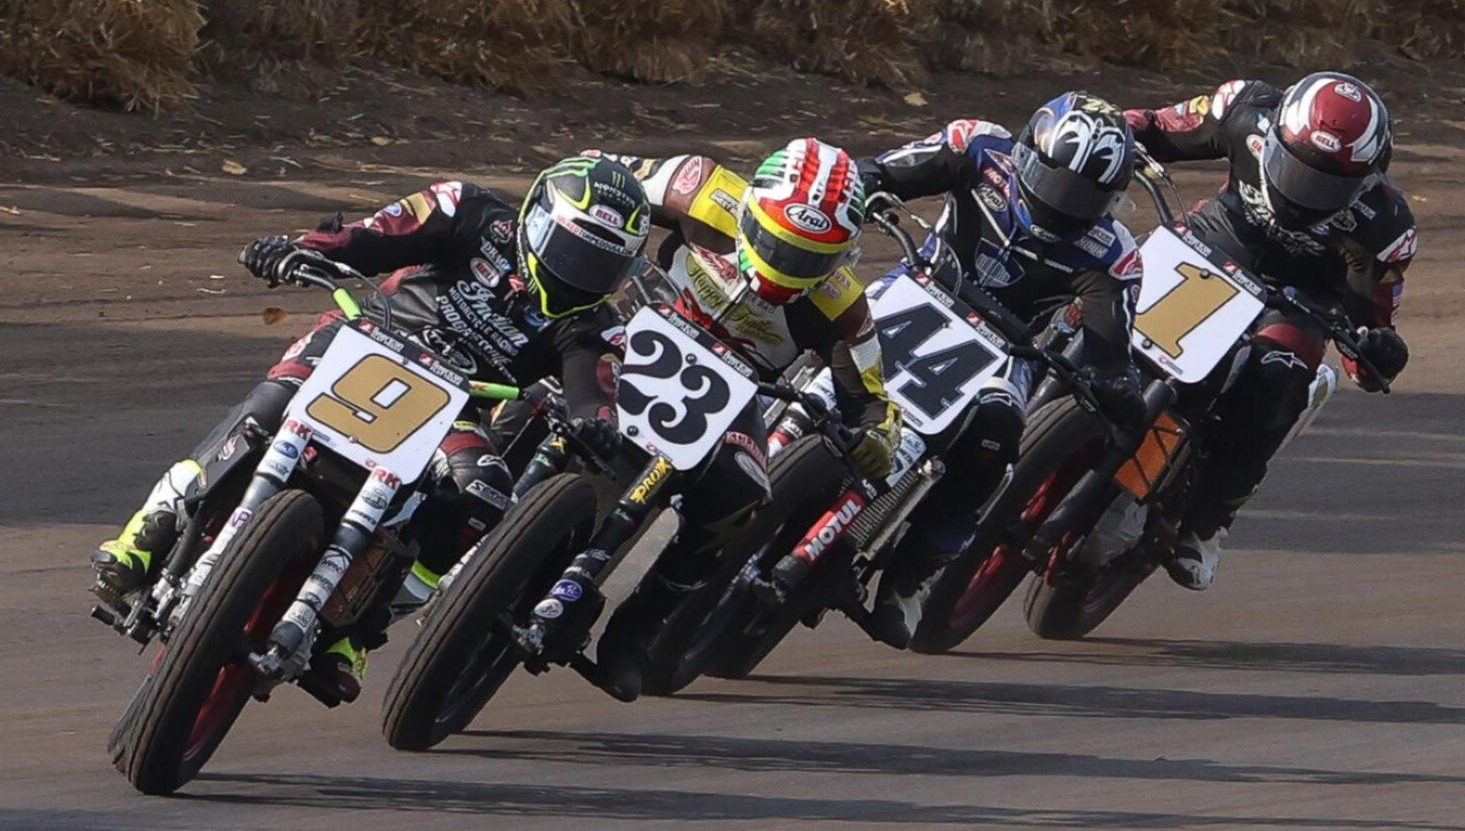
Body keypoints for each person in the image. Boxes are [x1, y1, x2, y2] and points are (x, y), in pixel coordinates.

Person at [91, 156, 649, 698]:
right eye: (572, 251)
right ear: (537, 219)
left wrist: (594, 427)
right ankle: (145, 533)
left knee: (483, 494)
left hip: (456, 405)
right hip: (360, 343)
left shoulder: (594, 325)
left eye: (600, 264)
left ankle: (356, 632)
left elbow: (592, 394)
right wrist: (297, 250)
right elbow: (368, 236)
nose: (580, 273)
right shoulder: (466, 210)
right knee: (266, 409)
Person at [577, 138, 900, 686]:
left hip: (728, 404)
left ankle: (640, 624)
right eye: (776, 243)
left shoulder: (845, 305)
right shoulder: (697, 186)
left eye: (807, 258)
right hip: (627, 332)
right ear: (749, 207)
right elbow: (600, 179)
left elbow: (874, 401)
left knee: (742, 493)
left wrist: (876, 439)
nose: (784, 265)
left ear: (841, 258)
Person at [853, 92, 1147, 619]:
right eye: (1056, 181)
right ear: (1026, 151)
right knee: (825, 327)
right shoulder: (977, 145)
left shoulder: (1113, 252)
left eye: (1084, 195)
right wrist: (863, 188)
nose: (1062, 203)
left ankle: (913, 574)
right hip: (914, 289)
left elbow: (1109, 347)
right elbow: (878, 171)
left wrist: (1115, 381)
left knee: (998, 431)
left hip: (1006, 352)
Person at [1124, 72, 1414, 589]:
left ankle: (1208, 522)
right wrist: (1110, 135)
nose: (1305, 193)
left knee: (1275, 379)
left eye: (1328, 185)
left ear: (1367, 179)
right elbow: (1156, 129)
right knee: (1107, 292)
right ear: (1274, 134)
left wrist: (1375, 350)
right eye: (1297, 169)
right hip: (1212, 242)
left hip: (1298, 300)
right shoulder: (1243, 108)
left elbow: (1371, 321)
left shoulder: (1387, 225)